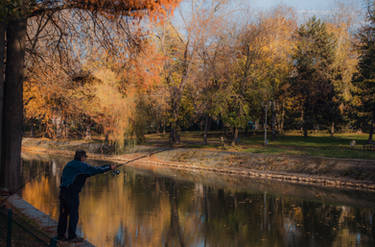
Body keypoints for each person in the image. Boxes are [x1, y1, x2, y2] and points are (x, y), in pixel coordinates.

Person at [57, 150, 114, 242]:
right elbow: (95, 170)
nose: (85, 159)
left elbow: (63, 177)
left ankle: (60, 235)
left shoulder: (69, 164)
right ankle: (72, 237)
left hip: (63, 192)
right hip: (72, 194)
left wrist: (106, 167)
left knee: (63, 215)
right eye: (85, 157)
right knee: (74, 215)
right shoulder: (82, 165)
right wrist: (109, 168)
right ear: (82, 157)